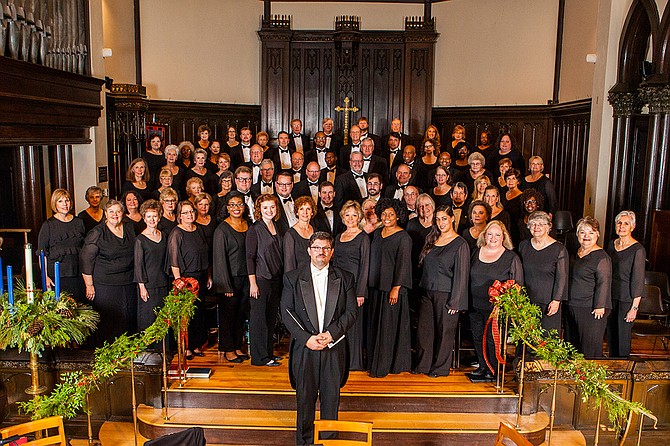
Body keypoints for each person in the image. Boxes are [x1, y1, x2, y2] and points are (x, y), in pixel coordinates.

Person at [281, 232, 357, 446]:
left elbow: (351, 312)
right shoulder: (292, 278)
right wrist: (307, 339)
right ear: (309, 251)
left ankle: (329, 442)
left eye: (325, 248)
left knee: (331, 401)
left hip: (333, 348)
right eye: (316, 248)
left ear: (332, 252)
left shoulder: (345, 278)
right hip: (306, 349)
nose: (321, 252)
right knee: (304, 401)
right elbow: (286, 312)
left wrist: (331, 334)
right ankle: (304, 443)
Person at [416, 205, 470, 377]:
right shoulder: (432, 238)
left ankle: (440, 368)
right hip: (427, 291)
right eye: (438, 219)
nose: (441, 222)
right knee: (425, 332)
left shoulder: (460, 244)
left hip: (446, 293)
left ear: (452, 219)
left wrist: (456, 301)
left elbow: (462, 275)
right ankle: (423, 365)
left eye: (444, 218)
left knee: (445, 333)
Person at [468, 221, 523, 381]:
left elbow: (517, 285)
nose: (493, 238)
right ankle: (483, 367)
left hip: (497, 310)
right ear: (484, 235)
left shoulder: (511, 257)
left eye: (497, 235)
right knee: (478, 337)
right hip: (475, 305)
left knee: (493, 340)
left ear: (503, 237)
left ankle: (494, 370)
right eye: (490, 234)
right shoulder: (475, 253)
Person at [80, 200, 137, 345]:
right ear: (105, 213)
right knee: (110, 320)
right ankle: (109, 352)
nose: (115, 215)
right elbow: (86, 259)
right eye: (111, 211)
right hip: (105, 284)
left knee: (128, 316)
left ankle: (126, 349)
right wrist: (89, 285)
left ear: (123, 213)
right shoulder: (97, 233)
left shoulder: (130, 227)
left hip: (128, 282)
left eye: (118, 211)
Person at [367, 198, 412, 378]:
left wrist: (396, 287)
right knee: (376, 326)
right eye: (384, 213)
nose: (386, 217)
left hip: (392, 289)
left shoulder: (403, 238)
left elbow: (403, 264)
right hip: (376, 287)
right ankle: (374, 362)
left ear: (398, 216)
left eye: (391, 214)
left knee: (388, 328)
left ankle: (386, 365)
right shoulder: (377, 234)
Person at [168, 200, 212, 360]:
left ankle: (196, 344)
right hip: (186, 279)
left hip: (201, 275)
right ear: (179, 216)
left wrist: (208, 276)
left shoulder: (198, 229)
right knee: (187, 316)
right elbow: (174, 260)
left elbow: (205, 254)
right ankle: (186, 348)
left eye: (191, 211)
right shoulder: (176, 233)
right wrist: (179, 280)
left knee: (199, 314)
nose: (189, 215)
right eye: (185, 212)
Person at [246, 194, 284, 366]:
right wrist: (252, 283)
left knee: (270, 318)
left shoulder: (276, 226)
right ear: (259, 210)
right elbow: (249, 258)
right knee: (258, 319)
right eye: (265, 207)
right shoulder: (255, 229)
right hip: (260, 279)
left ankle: (269, 353)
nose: (269, 210)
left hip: (275, 278)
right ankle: (259, 357)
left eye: (272, 207)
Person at [212, 192, 250, 363]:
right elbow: (219, 259)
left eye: (240, 204)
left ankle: (236, 346)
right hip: (229, 280)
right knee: (228, 316)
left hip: (246, 278)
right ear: (227, 207)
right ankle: (228, 349)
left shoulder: (247, 224)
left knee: (241, 315)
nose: (236, 208)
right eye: (232, 205)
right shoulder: (222, 229)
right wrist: (225, 286)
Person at [567, 217, 612, 358]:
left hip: (591, 308)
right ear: (577, 234)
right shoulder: (576, 252)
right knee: (572, 345)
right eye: (582, 232)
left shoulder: (601, 257)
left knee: (589, 347)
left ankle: (590, 379)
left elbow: (604, 282)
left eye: (591, 232)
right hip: (572, 304)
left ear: (598, 234)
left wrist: (600, 305)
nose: (586, 236)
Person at [333, 201, 370, 371]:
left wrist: (360, 292)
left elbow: (365, 266)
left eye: (354, 215)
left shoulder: (363, 237)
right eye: (347, 215)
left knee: (354, 325)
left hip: (355, 288)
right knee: (341, 324)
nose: (350, 218)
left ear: (359, 217)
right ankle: (341, 360)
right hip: (339, 286)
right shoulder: (338, 237)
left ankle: (355, 363)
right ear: (342, 217)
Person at [518, 211, 569, 334]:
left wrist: (556, 300)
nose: (536, 227)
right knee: (526, 338)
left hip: (548, 302)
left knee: (547, 340)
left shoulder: (559, 249)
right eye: (533, 224)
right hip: (527, 301)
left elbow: (562, 278)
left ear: (548, 227)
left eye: (541, 224)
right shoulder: (523, 246)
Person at [606, 211, 645, 358]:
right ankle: (612, 367)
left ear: (632, 227)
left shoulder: (638, 250)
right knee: (611, 334)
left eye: (626, 223)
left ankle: (623, 370)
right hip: (610, 296)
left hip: (627, 299)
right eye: (619, 223)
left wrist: (634, 308)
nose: (622, 226)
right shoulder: (611, 244)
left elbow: (638, 280)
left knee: (622, 337)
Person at [38, 189, 86, 302]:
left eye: (67, 200)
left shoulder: (79, 222)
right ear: (55, 204)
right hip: (57, 276)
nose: (65, 204)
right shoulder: (48, 225)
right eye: (60, 201)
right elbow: (42, 253)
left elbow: (85, 249)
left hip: (78, 274)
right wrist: (45, 277)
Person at [134, 199, 169, 337]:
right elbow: (138, 265)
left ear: (159, 217)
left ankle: (163, 351)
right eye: (149, 216)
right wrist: (142, 286)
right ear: (144, 218)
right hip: (148, 284)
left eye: (154, 216)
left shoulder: (164, 236)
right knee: (149, 318)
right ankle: (150, 352)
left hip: (163, 282)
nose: (152, 219)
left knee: (163, 317)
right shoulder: (140, 240)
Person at [283, 196, 316, 273]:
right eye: (301, 209)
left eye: (308, 209)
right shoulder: (290, 235)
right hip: (299, 277)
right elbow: (289, 264)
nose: (305, 212)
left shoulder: (316, 231)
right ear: (297, 212)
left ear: (312, 212)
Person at [501, 168, 524, 246]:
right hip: (504, 228)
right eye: (508, 179)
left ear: (518, 181)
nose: (510, 181)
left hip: (516, 230)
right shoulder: (502, 194)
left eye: (513, 178)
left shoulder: (522, 196)